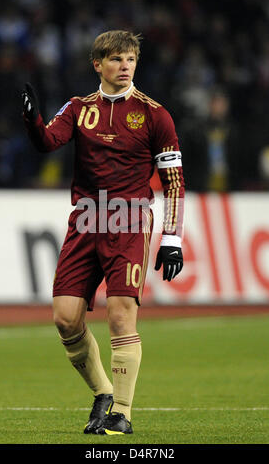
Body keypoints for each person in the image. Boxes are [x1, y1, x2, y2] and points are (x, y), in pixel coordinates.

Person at [22, 30, 185, 435]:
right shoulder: (79, 108)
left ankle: (123, 414)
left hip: (129, 220)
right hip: (86, 219)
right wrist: (32, 120)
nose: (125, 66)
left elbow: (174, 182)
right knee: (64, 318)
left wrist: (172, 238)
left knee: (119, 314)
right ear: (98, 64)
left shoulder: (155, 114)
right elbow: (47, 142)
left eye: (130, 59)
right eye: (116, 59)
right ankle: (103, 393)